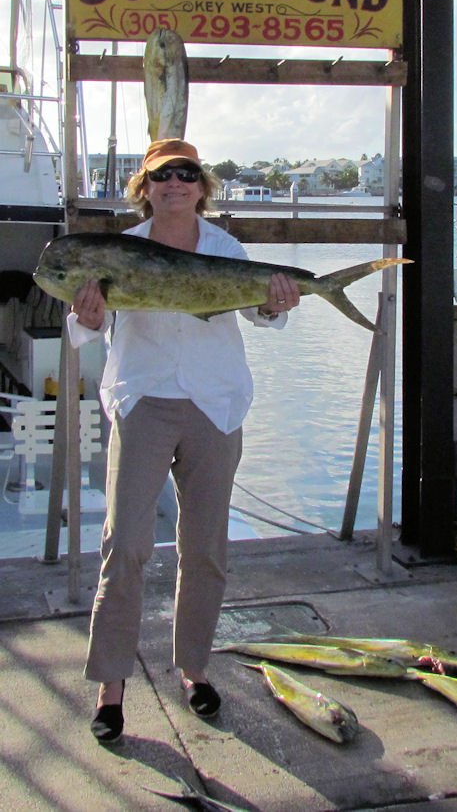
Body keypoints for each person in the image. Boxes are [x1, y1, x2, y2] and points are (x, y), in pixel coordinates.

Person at [68, 138, 300, 742]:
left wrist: (276, 306)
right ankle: (111, 683)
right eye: (161, 175)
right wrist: (86, 318)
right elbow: (83, 327)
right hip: (142, 400)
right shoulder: (119, 250)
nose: (174, 183)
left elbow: (259, 314)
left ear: (202, 186)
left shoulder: (226, 250)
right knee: (126, 544)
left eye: (186, 173)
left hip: (215, 406)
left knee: (204, 547)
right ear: (144, 188)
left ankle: (193, 667)